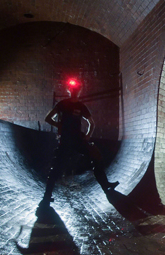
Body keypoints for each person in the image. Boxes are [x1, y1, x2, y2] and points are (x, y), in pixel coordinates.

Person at [39, 78, 118, 208]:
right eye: (73, 90)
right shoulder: (62, 104)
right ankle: (47, 196)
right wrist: (58, 124)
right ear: (70, 90)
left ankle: (106, 186)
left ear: (79, 91)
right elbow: (48, 118)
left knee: (95, 156)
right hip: (65, 141)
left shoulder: (81, 106)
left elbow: (91, 123)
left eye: (77, 90)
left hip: (77, 140)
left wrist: (87, 136)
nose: (75, 92)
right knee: (56, 167)